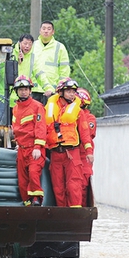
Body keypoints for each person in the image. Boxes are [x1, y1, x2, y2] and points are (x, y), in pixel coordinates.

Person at [44, 77, 84, 207]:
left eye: (73, 91)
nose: (72, 94)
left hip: (71, 152)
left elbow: (85, 134)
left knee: (74, 184)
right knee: (58, 187)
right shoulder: (49, 109)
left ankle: (76, 214)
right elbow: (43, 130)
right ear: (60, 92)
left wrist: (88, 151)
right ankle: (62, 213)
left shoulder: (78, 110)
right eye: (69, 91)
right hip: (56, 153)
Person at [10, 75, 47, 206]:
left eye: (25, 89)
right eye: (20, 89)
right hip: (22, 149)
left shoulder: (37, 106)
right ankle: (27, 203)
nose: (23, 91)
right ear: (16, 91)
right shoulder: (15, 109)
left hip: (34, 148)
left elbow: (41, 127)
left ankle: (36, 199)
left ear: (30, 91)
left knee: (33, 173)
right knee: (22, 180)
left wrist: (37, 147)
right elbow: (17, 129)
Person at [33, 21, 71, 99]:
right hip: (33, 89)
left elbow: (64, 70)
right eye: (43, 28)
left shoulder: (60, 47)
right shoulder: (32, 46)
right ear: (40, 31)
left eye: (49, 29)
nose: (46, 31)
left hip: (52, 90)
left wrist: (60, 88)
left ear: (53, 32)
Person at [11, 34, 49, 103]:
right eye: (25, 43)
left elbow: (39, 74)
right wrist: (18, 63)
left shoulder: (32, 58)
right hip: (7, 96)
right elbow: (3, 72)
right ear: (19, 43)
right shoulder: (11, 54)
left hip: (22, 97)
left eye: (30, 44)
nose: (27, 46)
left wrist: (48, 88)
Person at [76, 88, 96, 206]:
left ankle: (81, 210)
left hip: (84, 155)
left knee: (83, 184)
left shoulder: (89, 118)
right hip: (71, 154)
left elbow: (88, 134)